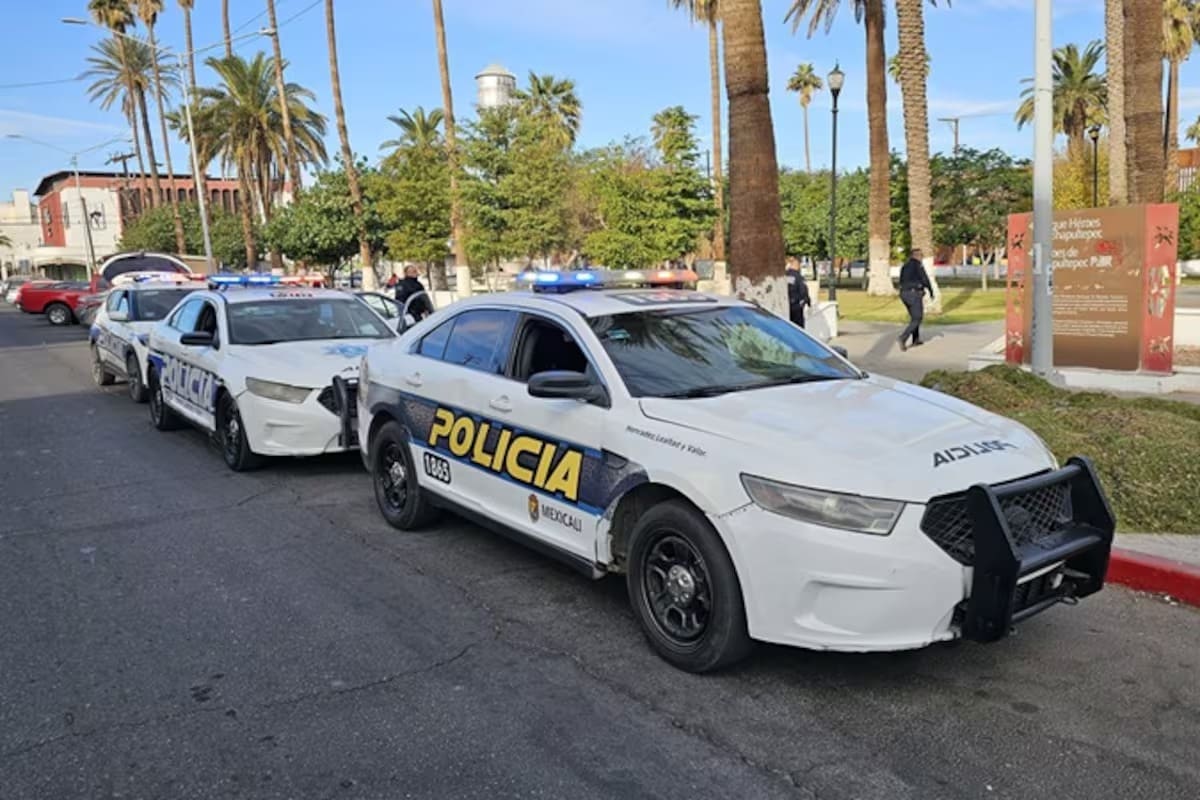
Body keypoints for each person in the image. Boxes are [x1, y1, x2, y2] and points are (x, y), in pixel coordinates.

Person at [897, 248, 934, 351]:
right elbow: (925, 279)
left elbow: (901, 280)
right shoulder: (918, 265)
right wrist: (931, 291)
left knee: (914, 317)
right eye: (920, 255)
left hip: (904, 294)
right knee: (917, 318)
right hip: (914, 294)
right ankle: (903, 338)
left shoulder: (905, 266)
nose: (921, 257)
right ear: (916, 256)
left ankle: (916, 339)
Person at [786, 261, 812, 328]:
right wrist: (807, 301)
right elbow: (803, 290)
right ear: (797, 266)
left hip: (787, 304)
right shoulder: (798, 276)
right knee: (798, 326)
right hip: (796, 305)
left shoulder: (785, 275)